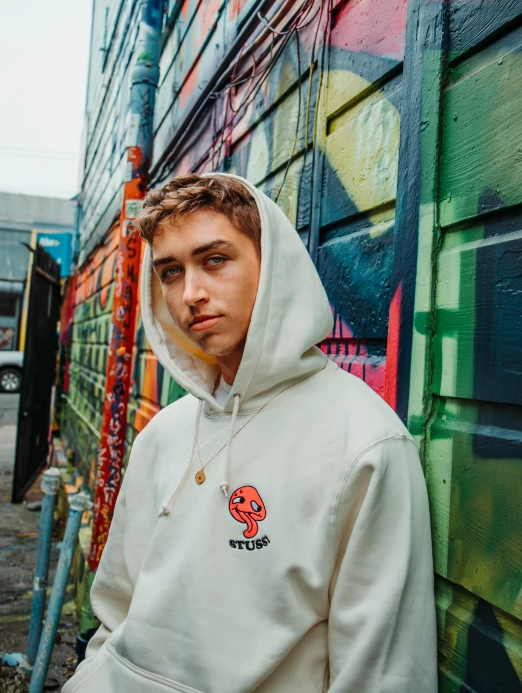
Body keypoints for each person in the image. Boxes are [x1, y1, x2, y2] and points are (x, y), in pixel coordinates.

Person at [63, 173, 437, 693]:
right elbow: (115, 611)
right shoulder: (165, 433)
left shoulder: (366, 446)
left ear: (273, 266)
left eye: (214, 260)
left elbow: (384, 674)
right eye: (171, 272)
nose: (191, 292)